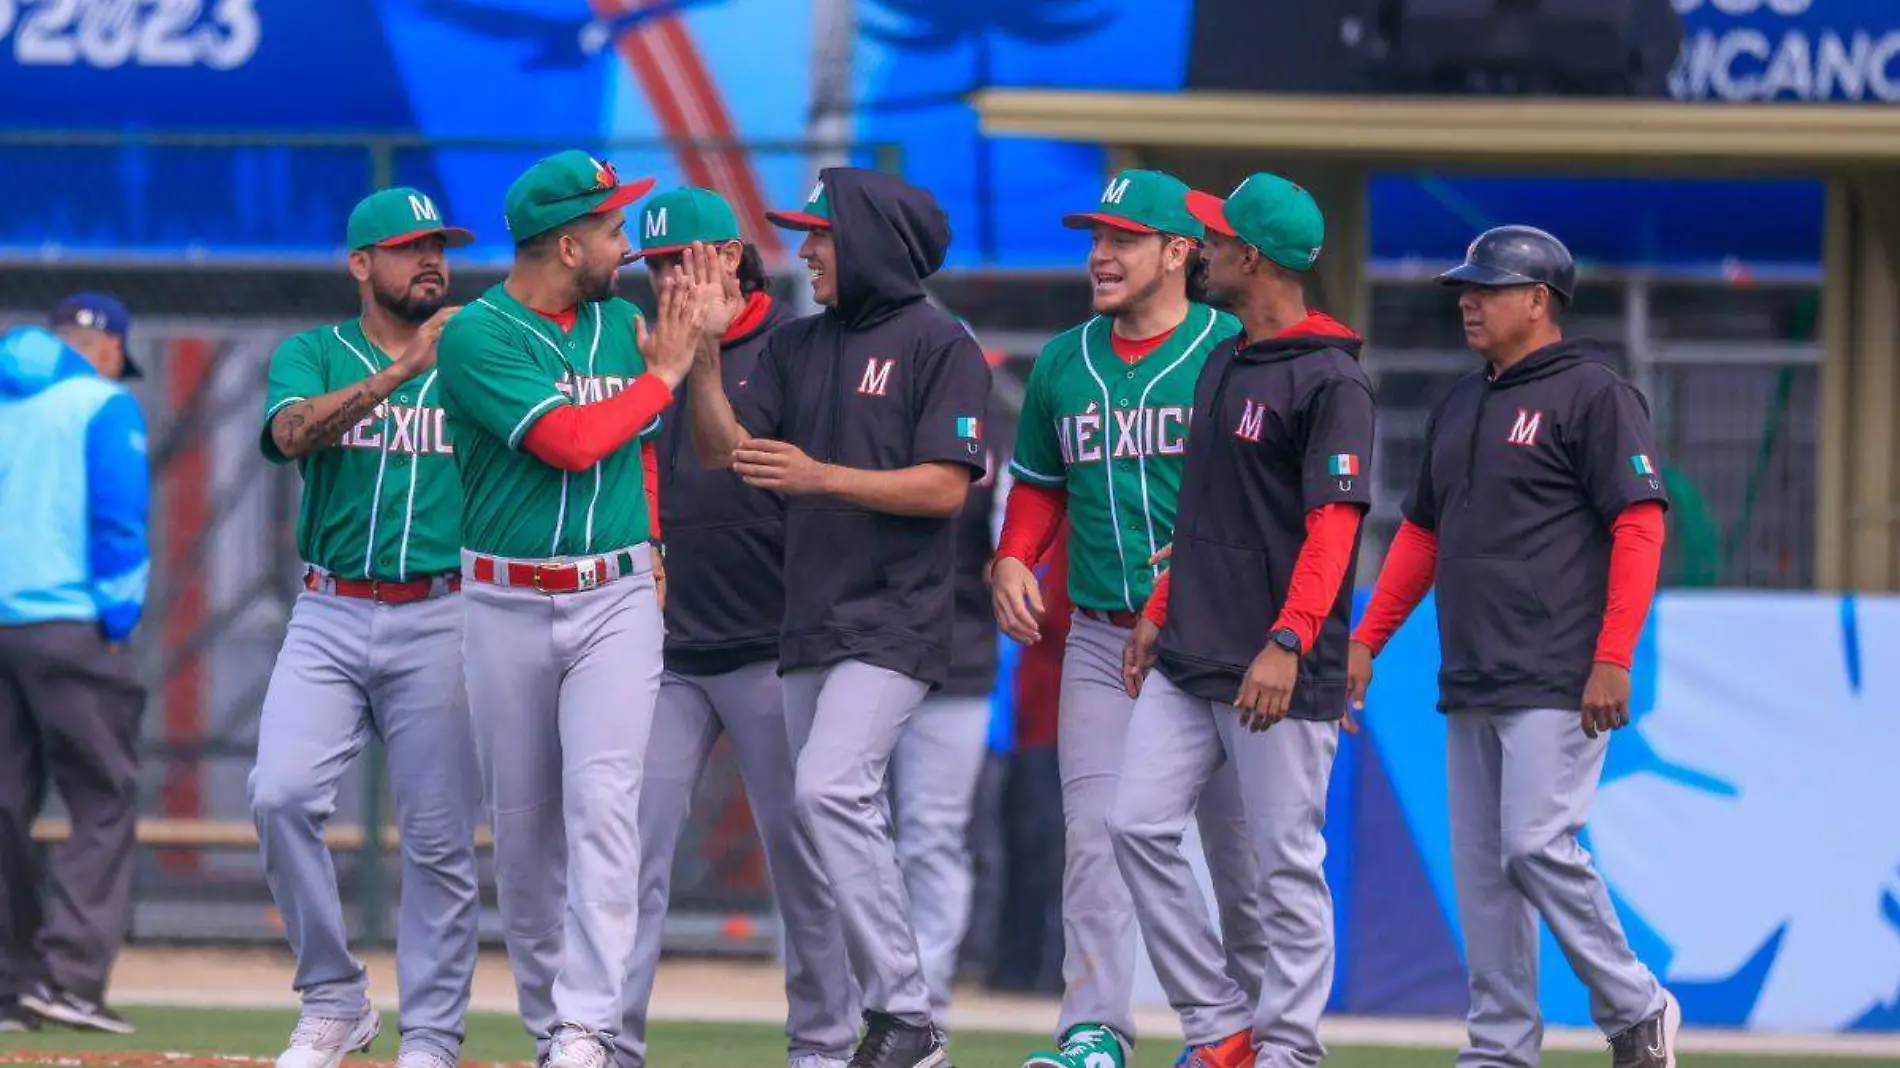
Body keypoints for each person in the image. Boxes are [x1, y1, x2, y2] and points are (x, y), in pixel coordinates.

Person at [1346, 225, 1680, 1068]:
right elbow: (1420, 534)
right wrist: (1365, 641)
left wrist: (1614, 654)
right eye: (1466, 285)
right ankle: (1499, 1050)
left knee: (1535, 844)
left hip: (1558, 666)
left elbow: (1640, 525)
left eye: (1488, 287)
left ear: (1539, 301)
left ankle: (1636, 1005)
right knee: (1486, 878)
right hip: (1471, 669)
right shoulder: (1463, 401)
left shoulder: (1595, 392)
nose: (1469, 298)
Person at [681, 166, 992, 1068]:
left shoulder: (943, 345)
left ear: (870, 243)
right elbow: (722, 451)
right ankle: (902, 1038)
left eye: (820, 234)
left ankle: (905, 1013)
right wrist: (702, 357)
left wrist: (821, 477)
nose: (805, 250)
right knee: (822, 826)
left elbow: (943, 488)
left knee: (828, 789)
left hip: (895, 621)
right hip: (807, 618)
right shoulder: (795, 344)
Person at [987, 169, 1266, 1068]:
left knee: (1241, 855)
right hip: (1104, 638)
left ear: (1180, 251)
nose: (1100, 256)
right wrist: (1011, 558)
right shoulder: (1066, 360)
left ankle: (1258, 1032)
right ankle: (1094, 1031)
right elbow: (1037, 487)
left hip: (1221, 637)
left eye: (1122, 239)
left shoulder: (1232, 349)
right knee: (1095, 837)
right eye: (1095, 238)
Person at [435, 151, 706, 1068]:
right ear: (566, 242)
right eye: (613, 229)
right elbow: (577, 441)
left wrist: (657, 540)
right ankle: (553, 1022)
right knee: (523, 832)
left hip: (615, 597)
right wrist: (663, 379)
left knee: (603, 805)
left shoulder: (622, 323)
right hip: (506, 601)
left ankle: (590, 1025)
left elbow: (640, 452)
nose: (626, 245)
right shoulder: (479, 334)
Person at [1114, 173, 1372, 1068]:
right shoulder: (1226, 357)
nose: (1206, 247)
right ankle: (1222, 1022)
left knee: (1283, 867)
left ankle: (1289, 1051)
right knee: (1135, 826)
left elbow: (1333, 529)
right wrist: (1156, 609)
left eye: (1218, 239)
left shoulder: (1333, 378)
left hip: (1278, 665)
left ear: (1251, 258)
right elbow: (1205, 510)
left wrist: (1290, 640)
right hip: (1192, 650)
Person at [615, 186, 856, 1068]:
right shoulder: (642, 355)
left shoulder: (796, 348)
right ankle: (608, 1041)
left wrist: (705, 356)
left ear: (730, 257)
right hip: (666, 649)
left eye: (684, 261)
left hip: (773, 645)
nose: (669, 280)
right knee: (628, 853)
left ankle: (825, 1047)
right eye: (656, 266)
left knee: (804, 861)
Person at [247, 188, 481, 1068]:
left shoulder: (473, 350)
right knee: (279, 795)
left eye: (439, 246)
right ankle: (336, 999)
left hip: (445, 611)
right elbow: (290, 434)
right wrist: (398, 372)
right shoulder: (312, 351)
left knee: (438, 842)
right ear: (360, 264)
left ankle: (428, 1039)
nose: (431, 260)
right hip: (331, 608)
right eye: (407, 246)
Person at [0, 294, 149, 1036]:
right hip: (70, 627)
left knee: (4, 803)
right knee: (103, 797)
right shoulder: (103, 403)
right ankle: (69, 978)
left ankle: (9, 983)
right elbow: (120, 523)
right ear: (112, 349)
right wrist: (119, 621)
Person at [891, 439, 1001, 1027]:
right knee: (835, 825)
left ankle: (921, 1011)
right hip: (855, 646)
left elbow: (1019, 541)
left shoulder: (998, 434)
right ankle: (847, 1001)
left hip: (958, 658)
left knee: (932, 837)